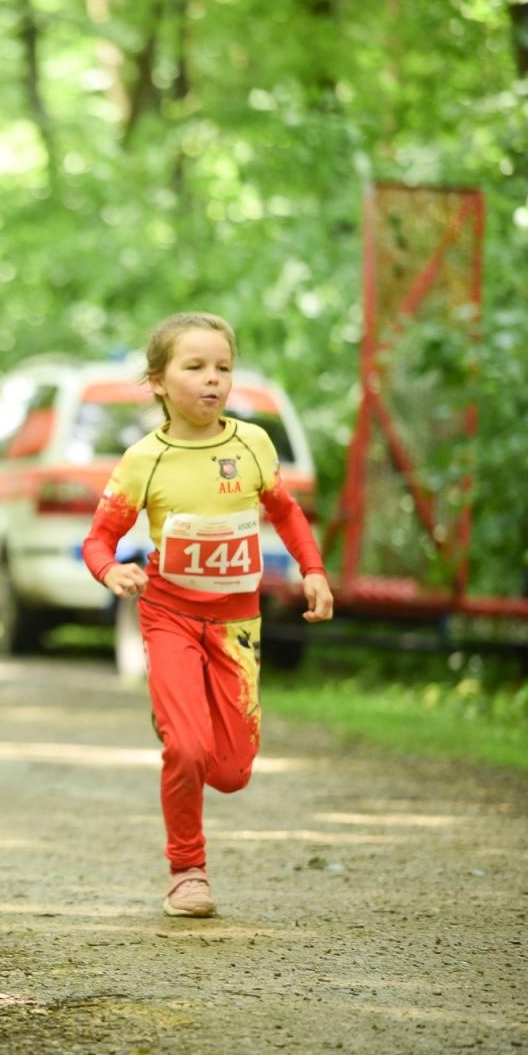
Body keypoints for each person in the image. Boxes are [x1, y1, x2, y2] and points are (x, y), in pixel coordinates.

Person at [81, 312, 333, 918]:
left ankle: (185, 734)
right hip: (169, 614)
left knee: (232, 771)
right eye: (194, 367)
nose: (212, 380)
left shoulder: (252, 444)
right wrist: (113, 571)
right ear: (160, 381)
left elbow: (288, 513)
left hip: (236, 623)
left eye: (222, 367)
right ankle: (187, 870)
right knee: (189, 751)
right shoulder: (145, 458)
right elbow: (99, 540)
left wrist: (314, 570)